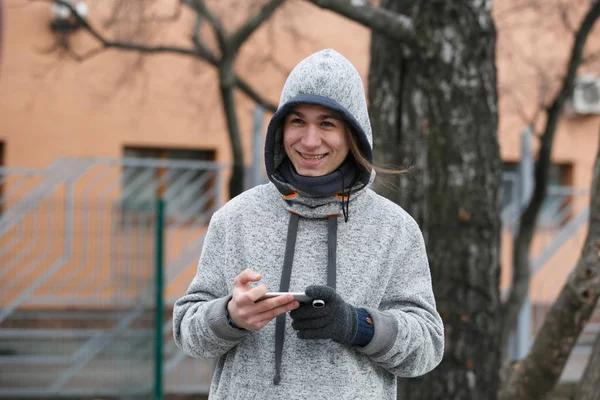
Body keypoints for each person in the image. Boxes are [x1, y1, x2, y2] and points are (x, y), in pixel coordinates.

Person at [173, 49, 444, 399]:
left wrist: (357, 325)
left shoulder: (394, 228)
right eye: (298, 121)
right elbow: (188, 333)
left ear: (353, 133)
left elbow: (427, 347)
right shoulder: (235, 218)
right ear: (281, 128)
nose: (309, 140)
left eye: (327, 124)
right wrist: (229, 316)